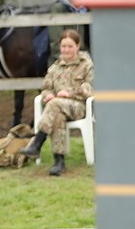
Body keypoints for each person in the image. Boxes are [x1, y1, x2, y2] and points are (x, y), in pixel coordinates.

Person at [19, 29, 93, 176]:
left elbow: (90, 88)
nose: (66, 50)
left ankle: (37, 143)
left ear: (78, 46)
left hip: (79, 107)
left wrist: (70, 93)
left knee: (55, 105)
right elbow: (46, 88)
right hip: (58, 108)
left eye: (70, 46)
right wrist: (48, 96)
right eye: (64, 46)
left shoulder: (86, 65)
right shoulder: (54, 68)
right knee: (57, 114)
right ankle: (59, 162)